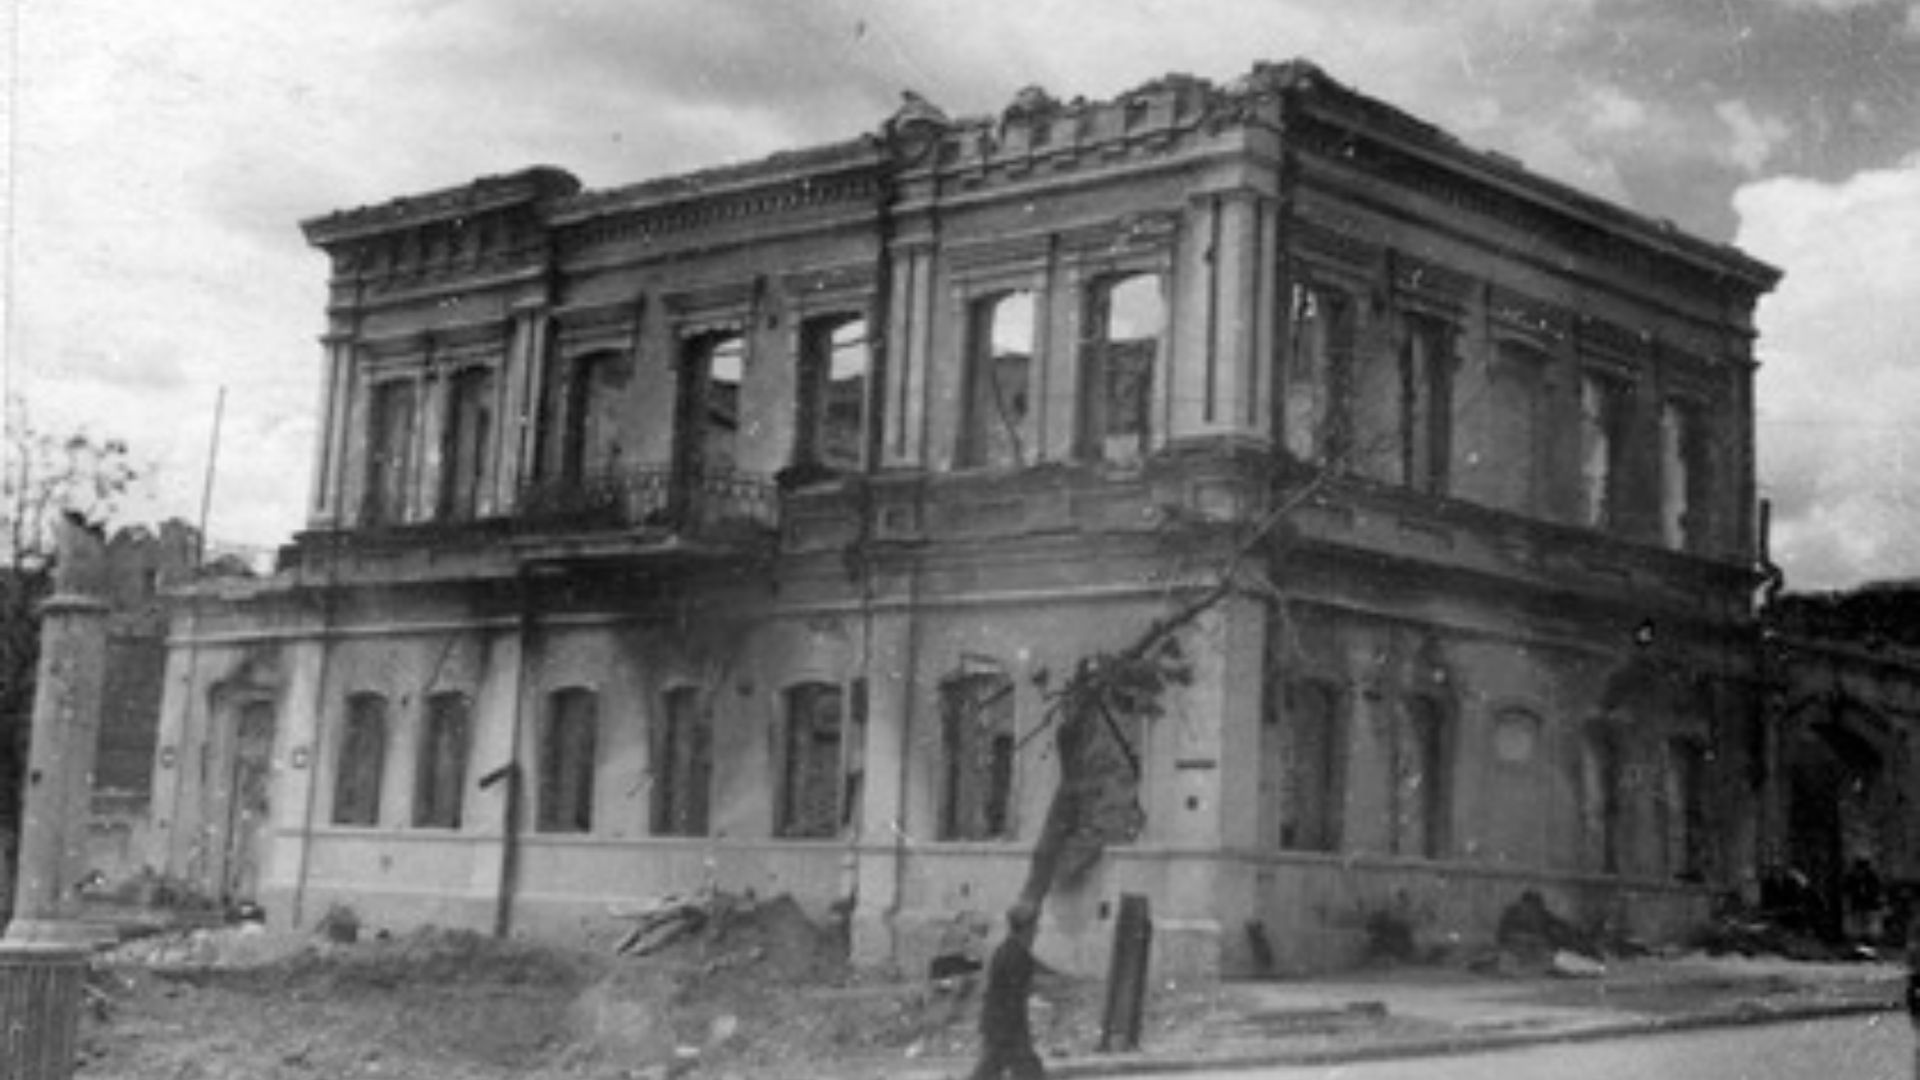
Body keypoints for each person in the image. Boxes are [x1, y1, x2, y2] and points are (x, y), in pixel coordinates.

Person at [971, 902, 1046, 1080]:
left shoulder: (1007, 950)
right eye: (1034, 926)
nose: (1037, 931)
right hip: (1006, 1028)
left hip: (1000, 1025)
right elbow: (1013, 997)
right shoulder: (1017, 955)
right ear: (1026, 928)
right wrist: (1019, 1030)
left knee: (992, 1070)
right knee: (1025, 1070)